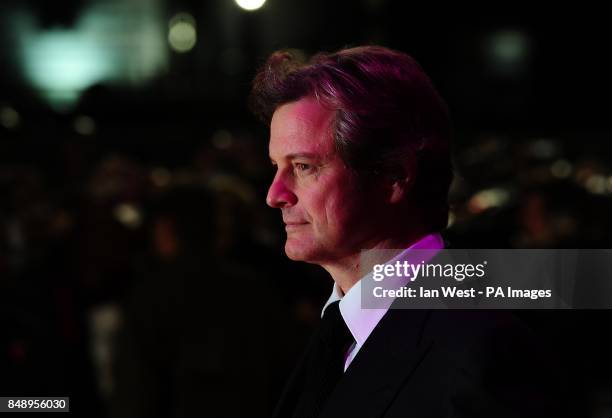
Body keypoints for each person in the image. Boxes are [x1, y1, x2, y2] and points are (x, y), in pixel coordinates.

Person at [250, 45, 570, 418]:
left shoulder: (485, 352)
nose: (275, 195)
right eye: (276, 166)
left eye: (303, 166)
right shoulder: (334, 333)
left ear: (393, 176)